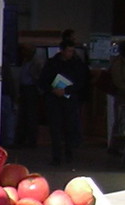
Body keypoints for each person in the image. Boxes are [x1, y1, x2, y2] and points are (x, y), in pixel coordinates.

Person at [38, 38, 90, 166]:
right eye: (68, 51)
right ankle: (56, 156)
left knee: (69, 128)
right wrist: (52, 90)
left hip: (70, 100)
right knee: (55, 129)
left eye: (72, 51)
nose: (70, 54)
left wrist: (67, 90)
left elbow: (81, 82)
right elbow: (43, 80)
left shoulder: (77, 64)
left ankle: (69, 154)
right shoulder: (52, 63)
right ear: (62, 51)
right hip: (53, 100)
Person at [109, 41, 125, 155]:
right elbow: (118, 81)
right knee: (120, 123)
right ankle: (116, 148)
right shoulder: (118, 63)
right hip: (122, 96)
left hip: (122, 94)